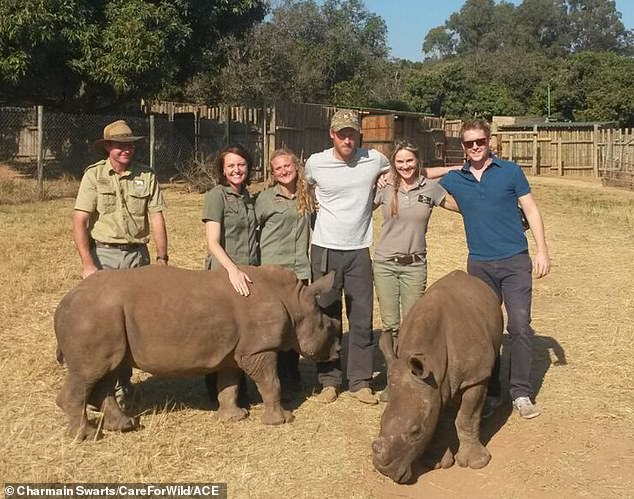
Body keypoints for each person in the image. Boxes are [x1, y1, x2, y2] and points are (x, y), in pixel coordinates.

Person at [439, 119, 550, 420]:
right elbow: (416, 174)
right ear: (461, 147)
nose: (475, 147)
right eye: (468, 143)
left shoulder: (510, 171)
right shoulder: (456, 178)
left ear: (490, 141)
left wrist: (542, 251)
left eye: (480, 142)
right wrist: (443, 170)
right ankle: (491, 391)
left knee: (519, 326)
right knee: (485, 332)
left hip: (514, 260)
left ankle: (521, 392)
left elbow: (531, 209)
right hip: (479, 264)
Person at [72, 119, 169, 404]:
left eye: (130, 145)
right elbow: (80, 220)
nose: (126, 150)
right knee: (106, 324)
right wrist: (88, 264)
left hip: (138, 255)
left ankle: (123, 382)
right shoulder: (93, 176)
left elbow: (157, 217)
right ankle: (105, 386)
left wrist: (162, 258)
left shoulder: (147, 175)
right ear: (108, 148)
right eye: (120, 145)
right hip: (106, 255)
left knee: (138, 322)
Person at [305, 109, 390, 405]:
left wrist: (383, 182)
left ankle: (360, 381)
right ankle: (329, 379)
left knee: (361, 316)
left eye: (351, 133)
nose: (347, 138)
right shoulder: (316, 163)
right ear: (332, 135)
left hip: (358, 250)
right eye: (341, 133)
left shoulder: (374, 159)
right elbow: (301, 185)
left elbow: (394, 171)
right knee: (328, 317)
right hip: (325, 249)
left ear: (358, 134)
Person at [373, 140, 459, 402]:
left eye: (409, 161)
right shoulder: (385, 187)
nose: (405, 166)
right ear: (393, 164)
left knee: (412, 326)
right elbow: (357, 204)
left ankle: (411, 379)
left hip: (415, 265)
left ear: (417, 161)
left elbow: (460, 206)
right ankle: (393, 380)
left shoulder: (430, 188)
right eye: (399, 162)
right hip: (385, 263)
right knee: (391, 324)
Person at [201, 144, 258, 406]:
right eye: (231, 166)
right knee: (220, 335)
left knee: (243, 333)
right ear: (223, 171)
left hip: (248, 275)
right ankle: (217, 391)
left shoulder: (250, 196)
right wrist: (232, 270)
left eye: (241, 164)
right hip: (224, 276)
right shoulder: (216, 196)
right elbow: (213, 242)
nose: (237, 170)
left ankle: (239, 388)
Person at [255, 148, 313, 395]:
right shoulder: (265, 199)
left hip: (299, 272)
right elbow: (252, 232)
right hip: (271, 274)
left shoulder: (308, 195)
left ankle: (292, 377)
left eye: (287, 166)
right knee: (272, 327)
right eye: (277, 168)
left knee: (294, 325)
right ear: (273, 173)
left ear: (296, 167)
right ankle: (271, 378)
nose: (283, 171)